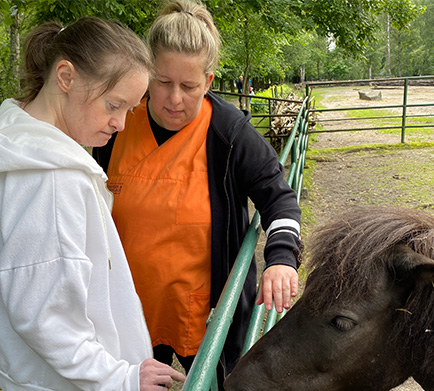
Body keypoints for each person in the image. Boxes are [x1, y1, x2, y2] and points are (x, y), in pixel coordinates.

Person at [93, 0, 302, 384]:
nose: (174, 99)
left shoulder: (229, 134)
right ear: (145, 74)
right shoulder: (116, 122)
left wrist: (281, 257)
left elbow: (280, 197)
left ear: (207, 82)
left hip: (201, 315)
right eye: (162, 82)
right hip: (125, 306)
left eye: (188, 87)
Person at [0, 17, 185, 391]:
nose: (120, 124)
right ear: (65, 77)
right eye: (113, 104)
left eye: (130, 109)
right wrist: (120, 378)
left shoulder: (20, 145)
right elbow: (44, 316)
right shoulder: (50, 179)